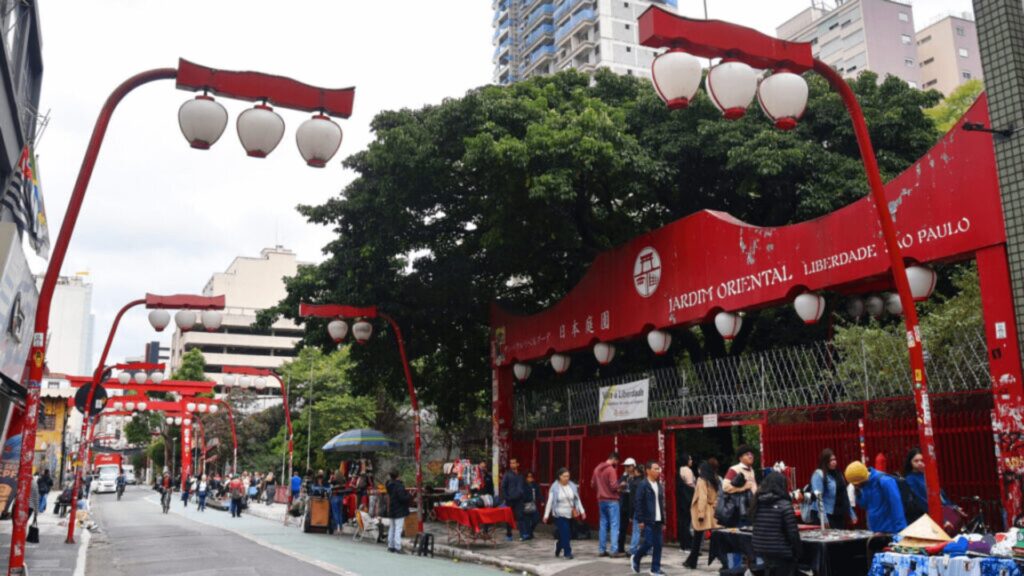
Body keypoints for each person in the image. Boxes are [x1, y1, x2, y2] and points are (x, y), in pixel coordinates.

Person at [751, 472, 802, 576]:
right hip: (781, 552)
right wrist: (799, 553)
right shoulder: (784, 504)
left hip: (761, 549)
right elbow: (793, 533)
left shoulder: (758, 502)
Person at [902, 447, 964, 529]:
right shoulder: (910, 479)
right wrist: (943, 520)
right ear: (910, 462)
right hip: (929, 515)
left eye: (922, 460)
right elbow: (922, 501)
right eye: (916, 461)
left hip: (944, 511)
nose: (920, 463)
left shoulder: (928, 475)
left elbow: (942, 496)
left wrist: (954, 507)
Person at [844, 461, 906, 533]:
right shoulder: (864, 484)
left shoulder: (884, 481)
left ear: (861, 479)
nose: (855, 485)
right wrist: (858, 494)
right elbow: (864, 505)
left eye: (855, 484)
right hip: (875, 530)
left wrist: (900, 531)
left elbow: (897, 506)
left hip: (890, 530)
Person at [723, 445, 758, 568]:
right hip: (738, 511)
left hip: (750, 510)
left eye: (751, 454)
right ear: (740, 457)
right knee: (736, 541)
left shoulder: (751, 469)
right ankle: (734, 569)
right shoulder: (734, 469)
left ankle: (750, 568)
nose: (750, 456)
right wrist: (744, 487)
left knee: (749, 541)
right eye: (747, 454)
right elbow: (725, 487)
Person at [631, 461, 666, 576]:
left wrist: (663, 520)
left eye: (658, 469)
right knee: (649, 542)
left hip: (658, 519)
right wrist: (640, 520)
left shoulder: (659, 485)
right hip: (647, 519)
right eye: (655, 469)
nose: (658, 471)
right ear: (648, 470)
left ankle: (655, 569)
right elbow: (638, 502)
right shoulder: (643, 485)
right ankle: (636, 558)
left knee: (659, 545)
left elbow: (661, 504)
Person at [684, 459, 721, 569]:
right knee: (711, 537)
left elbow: (702, 498)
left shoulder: (702, 480)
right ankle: (691, 561)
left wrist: (700, 514)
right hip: (713, 510)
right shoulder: (716, 479)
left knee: (697, 538)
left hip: (704, 511)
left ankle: (692, 561)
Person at [543, 467, 585, 560]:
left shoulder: (572, 486)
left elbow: (577, 499)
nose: (567, 478)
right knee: (565, 533)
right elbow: (550, 502)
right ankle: (567, 553)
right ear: (559, 477)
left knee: (568, 534)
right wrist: (546, 515)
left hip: (570, 513)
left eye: (568, 476)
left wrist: (582, 511)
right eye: (564, 476)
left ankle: (558, 545)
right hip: (559, 514)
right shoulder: (554, 487)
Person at [811, 449, 856, 529]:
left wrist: (851, 513)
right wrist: (823, 518)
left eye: (835, 459)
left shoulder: (838, 474)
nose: (834, 462)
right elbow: (818, 497)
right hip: (828, 513)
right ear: (825, 461)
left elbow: (844, 494)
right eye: (831, 460)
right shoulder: (819, 474)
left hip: (839, 513)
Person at [590, 451, 622, 557]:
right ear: (614, 459)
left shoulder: (597, 469)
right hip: (612, 501)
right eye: (616, 462)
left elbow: (593, 484)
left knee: (603, 525)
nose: (616, 464)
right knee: (614, 525)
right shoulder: (611, 470)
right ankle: (613, 550)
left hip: (601, 500)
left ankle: (601, 549)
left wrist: (601, 490)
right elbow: (613, 487)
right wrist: (621, 485)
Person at [500, 457, 526, 541]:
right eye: (511, 463)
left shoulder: (521, 475)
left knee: (520, 516)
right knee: (509, 517)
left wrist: (522, 494)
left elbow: (524, 486)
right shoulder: (507, 474)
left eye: (514, 463)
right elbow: (503, 487)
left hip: (519, 500)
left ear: (517, 464)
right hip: (510, 499)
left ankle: (522, 534)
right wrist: (507, 497)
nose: (512, 465)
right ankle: (509, 534)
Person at [385, 470, 411, 553]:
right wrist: (409, 495)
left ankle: (390, 545)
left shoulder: (389, 485)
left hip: (392, 508)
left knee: (392, 527)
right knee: (398, 528)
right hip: (399, 509)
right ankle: (397, 547)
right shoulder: (399, 485)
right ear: (398, 476)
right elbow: (402, 498)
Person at [676, 453, 695, 551]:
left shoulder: (679, 470)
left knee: (683, 522)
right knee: (687, 522)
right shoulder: (688, 470)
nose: (691, 461)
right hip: (688, 498)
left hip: (681, 499)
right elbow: (690, 485)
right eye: (690, 459)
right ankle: (687, 544)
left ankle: (683, 544)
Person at [618, 458, 637, 555]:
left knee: (636, 527)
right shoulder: (624, 476)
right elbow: (618, 487)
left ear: (634, 466)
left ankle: (634, 549)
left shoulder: (636, 476)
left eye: (628, 466)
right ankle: (620, 547)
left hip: (633, 503)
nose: (626, 468)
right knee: (622, 527)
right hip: (624, 503)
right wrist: (622, 484)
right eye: (625, 466)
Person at [628, 463, 647, 556]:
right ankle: (647, 548)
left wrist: (631, 514)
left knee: (636, 530)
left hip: (637, 509)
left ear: (637, 472)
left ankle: (633, 548)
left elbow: (632, 500)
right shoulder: (645, 482)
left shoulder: (633, 483)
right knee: (647, 530)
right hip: (645, 509)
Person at [521, 471, 542, 541]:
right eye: (528, 477)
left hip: (533, 505)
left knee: (536, 519)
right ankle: (528, 534)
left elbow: (539, 494)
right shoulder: (523, 485)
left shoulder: (535, 485)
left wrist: (542, 500)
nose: (530, 478)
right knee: (527, 521)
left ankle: (530, 532)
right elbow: (522, 495)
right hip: (525, 505)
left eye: (531, 477)